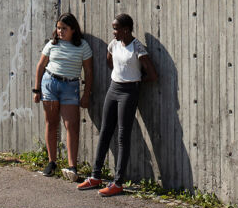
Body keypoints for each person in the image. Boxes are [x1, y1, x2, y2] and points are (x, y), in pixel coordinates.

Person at [78, 13, 157, 197]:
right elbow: (110, 62)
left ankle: (118, 182)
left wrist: (135, 80)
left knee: (122, 136)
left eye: (116, 28)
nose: (113, 32)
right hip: (113, 89)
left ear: (126, 29)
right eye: (113, 28)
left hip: (129, 92)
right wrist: (120, 77)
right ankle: (95, 176)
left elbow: (153, 75)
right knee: (105, 131)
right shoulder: (113, 45)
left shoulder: (137, 48)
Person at [33, 12, 94, 180]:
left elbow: (89, 71)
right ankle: (52, 162)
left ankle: (72, 166)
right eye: (58, 28)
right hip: (50, 84)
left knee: (71, 126)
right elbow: (41, 65)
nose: (60, 31)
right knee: (51, 123)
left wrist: (86, 95)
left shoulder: (83, 46)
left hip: (70, 87)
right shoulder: (52, 44)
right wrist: (37, 90)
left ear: (73, 29)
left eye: (64, 28)